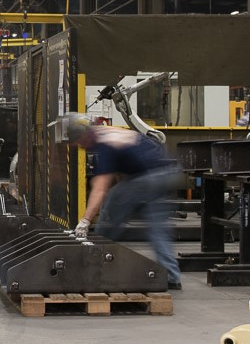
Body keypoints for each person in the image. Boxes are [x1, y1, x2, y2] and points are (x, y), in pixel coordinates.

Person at [67, 118, 183, 290]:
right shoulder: (111, 133)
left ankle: (94, 264)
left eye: (77, 141)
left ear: (84, 136)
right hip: (167, 173)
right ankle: (172, 276)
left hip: (148, 178)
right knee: (158, 229)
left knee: (111, 208)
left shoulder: (104, 144)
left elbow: (100, 187)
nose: (78, 146)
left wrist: (85, 221)